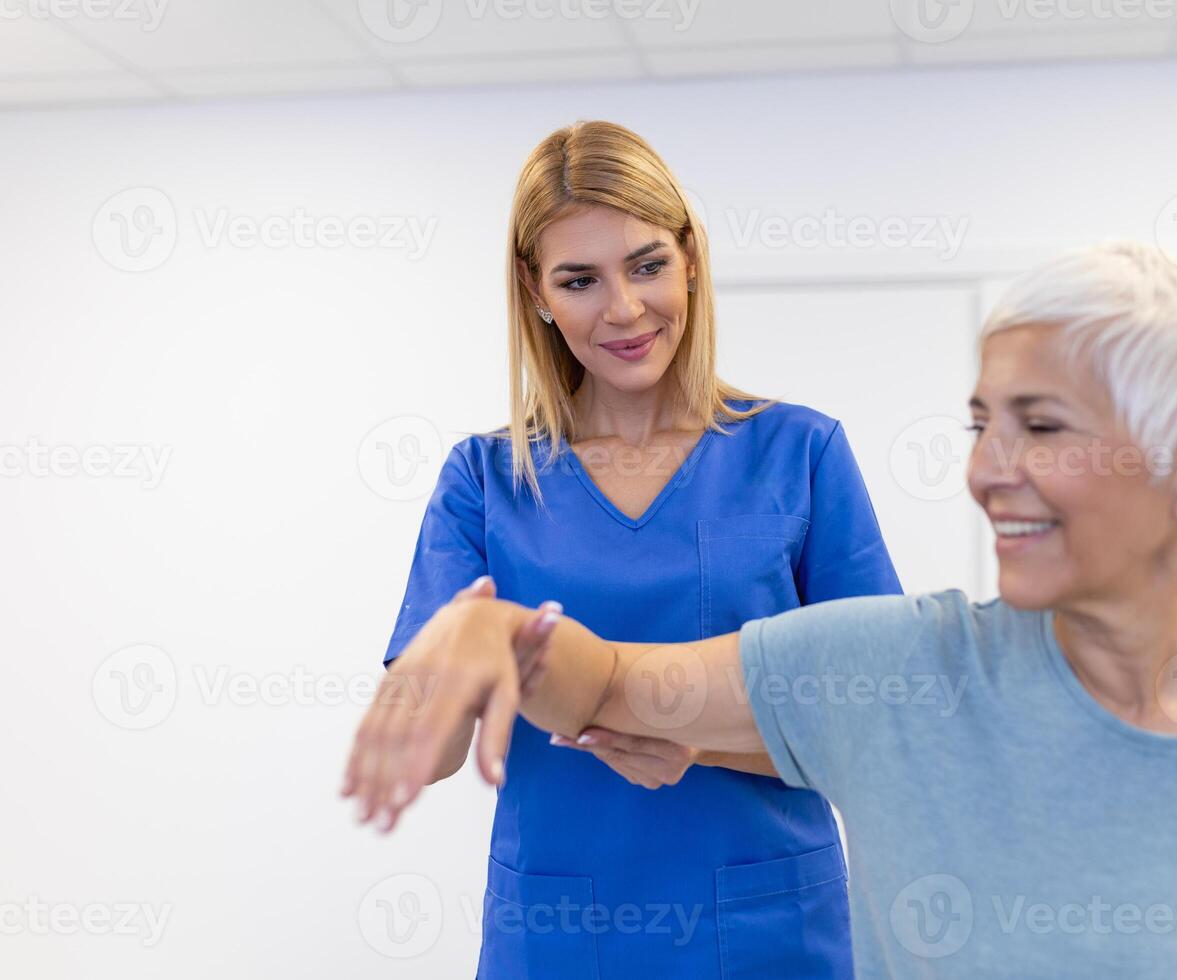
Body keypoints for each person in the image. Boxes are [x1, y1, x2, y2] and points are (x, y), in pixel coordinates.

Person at [345, 241, 1177, 978]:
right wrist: (490, 631)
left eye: (1041, 426)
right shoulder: (897, 669)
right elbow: (617, 678)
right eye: (978, 426)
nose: (988, 473)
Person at [368, 119, 902, 979]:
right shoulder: (486, 480)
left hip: (767, 927)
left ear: (690, 257)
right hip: (560, 929)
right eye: (579, 280)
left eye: (647, 265)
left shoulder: (800, 455)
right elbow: (425, 756)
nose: (622, 309)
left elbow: (881, 727)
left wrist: (697, 738)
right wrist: (437, 672)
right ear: (534, 290)